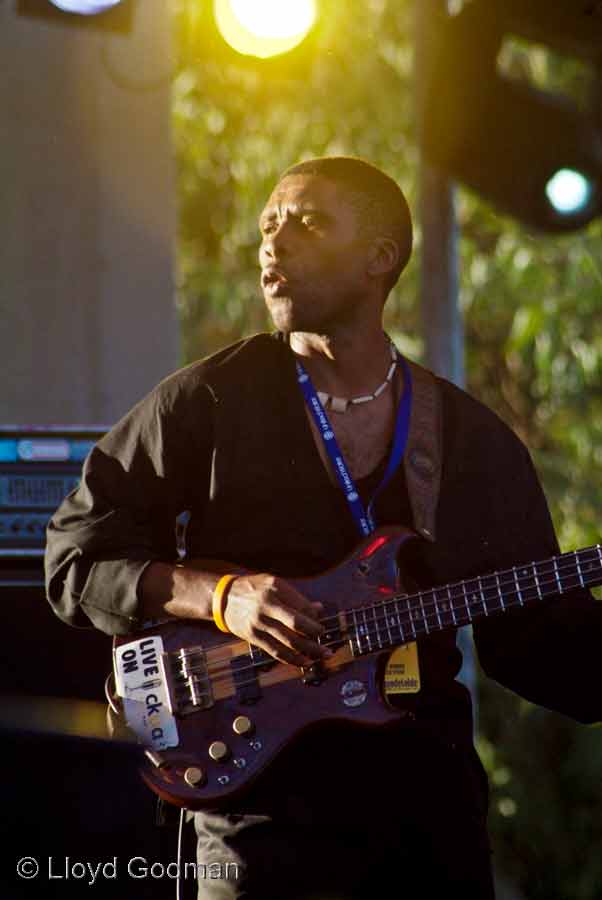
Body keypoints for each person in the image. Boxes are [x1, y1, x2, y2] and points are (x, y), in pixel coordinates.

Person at [45, 156, 602, 899]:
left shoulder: (470, 440)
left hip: (424, 813)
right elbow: (75, 558)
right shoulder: (203, 402)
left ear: (381, 257)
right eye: (268, 225)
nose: (273, 243)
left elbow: (540, 642)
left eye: (306, 222)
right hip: (255, 814)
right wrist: (223, 597)